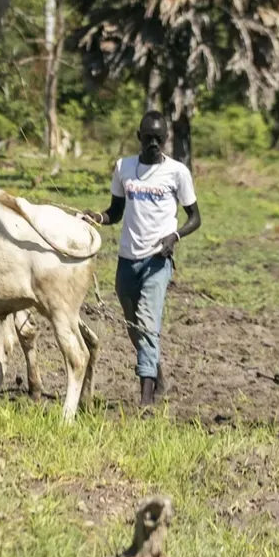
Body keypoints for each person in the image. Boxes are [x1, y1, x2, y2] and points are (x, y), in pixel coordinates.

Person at [81, 112, 202, 408]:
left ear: (166, 139)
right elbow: (116, 211)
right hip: (127, 261)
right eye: (148, 138)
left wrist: (174, 237)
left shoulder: (177, 173)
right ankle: (158, 376)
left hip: (157, 261)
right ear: (139, 137)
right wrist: (96, 217)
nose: (153, 143)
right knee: (133, 326)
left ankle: (146, 400)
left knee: (148, 324)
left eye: (158, 139)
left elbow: (195, 217)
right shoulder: (125, 167)